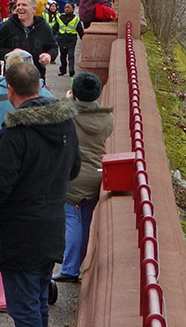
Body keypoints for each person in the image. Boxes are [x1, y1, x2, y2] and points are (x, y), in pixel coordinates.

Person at [0, 64, 80, 327]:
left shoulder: (15, 132)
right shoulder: (65, 123)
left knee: (24, 309)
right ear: (38, 86)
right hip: (51, 226)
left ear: (10, 90)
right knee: (37, 302)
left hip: (18, 235)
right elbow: (74, 168)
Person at [57, 72, 113, 283]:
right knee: (86, 221)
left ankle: (69, 268)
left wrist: (68, 99)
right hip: (96, 174)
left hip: (73, 174)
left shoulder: (69, 114)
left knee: (71, 219)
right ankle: (77, 264)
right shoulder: (107, 117)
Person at [51, 4, 81, 76]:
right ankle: (63, 70)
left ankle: (71, 70)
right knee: (62, 56)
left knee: (71, 55)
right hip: (62, 39)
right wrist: (50, 37)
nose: (67, 9)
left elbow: (80, 30)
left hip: (71, 39)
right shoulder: (60, 18)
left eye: (68, 7)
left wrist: (84, 38)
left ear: (73, 9)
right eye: (65, 7)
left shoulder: (76, 19)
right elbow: (54, 29)